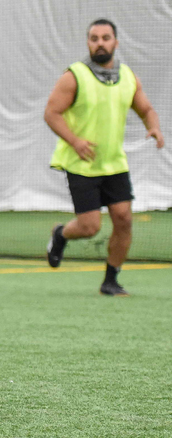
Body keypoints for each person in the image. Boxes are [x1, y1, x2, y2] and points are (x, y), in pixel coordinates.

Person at [44, 19, 164, 295]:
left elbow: (146, 109)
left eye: (106, 38)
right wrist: (74, 141)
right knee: (89, 227)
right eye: (94, 38)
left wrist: (154, 127)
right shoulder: (74, 76)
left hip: (114, 163)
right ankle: (61, 234)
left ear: (115, 42)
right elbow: (51, 113)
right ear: (88, 43)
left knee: (123, 219)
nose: (100, 43)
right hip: (81, 162)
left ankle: (111, 280)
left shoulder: (128, 77)